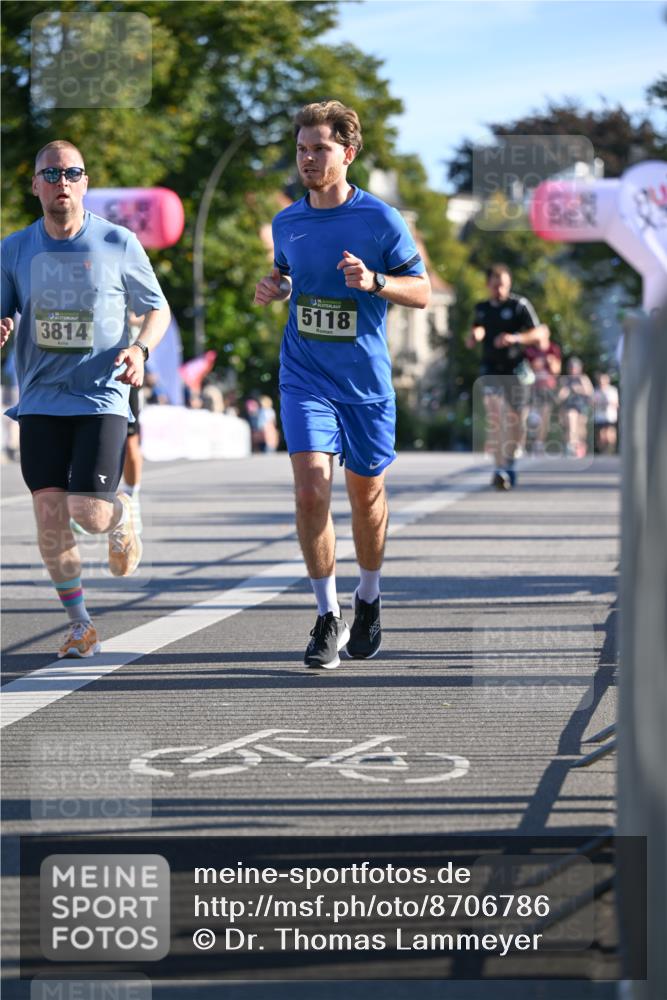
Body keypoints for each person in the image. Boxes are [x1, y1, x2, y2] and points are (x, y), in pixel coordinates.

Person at [254, 100, 430, 669]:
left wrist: (377, 281)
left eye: (320, 149)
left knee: (368, 498)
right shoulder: (288, 221)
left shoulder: (381, 220)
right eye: (302, 149)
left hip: (366, 383)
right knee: (310, 488)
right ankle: (327, 616)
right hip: (305, 375)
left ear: (347, 153)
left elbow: (422, 290)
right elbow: (288, 277)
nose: (308, 158)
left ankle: (369, 598)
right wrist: (275, 288)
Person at [0, 140, 170, 658]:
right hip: (40, 398)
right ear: (36, 185)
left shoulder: (117, 242)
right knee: (50, 516)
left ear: (85, 183)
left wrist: (140, 349)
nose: (62, 182)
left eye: (72, 173)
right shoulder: (13, 249)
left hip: (101, 395)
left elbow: (156, 309)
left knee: (88, 513)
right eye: (51, 174)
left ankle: (122, 514)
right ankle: (81, 624)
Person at [466, 263, 547, 489]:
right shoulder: (482, 307)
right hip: (490, 368)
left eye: (502, 286)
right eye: (495, 286)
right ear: (488, 285)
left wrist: (515, 339)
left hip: (515, 370)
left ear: (509, 284)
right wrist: (475, 335)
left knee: (515, 422)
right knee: (495, 416)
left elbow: (540, 333)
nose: (499, 290)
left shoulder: (519, 305)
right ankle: (500, 470)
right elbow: (476, 331)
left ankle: (509, 464)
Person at [557, 356, 594, 457]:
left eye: (575, 368)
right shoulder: (565, 379)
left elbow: (590, 393)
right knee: (571, 423)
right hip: (569, 407)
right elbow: (559, 397)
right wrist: (566, 391)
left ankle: (578, 446)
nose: (573, 370)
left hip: (582, 407)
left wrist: (579, 389)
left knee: (581, 430)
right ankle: (571, 446)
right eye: (571, 368)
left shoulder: (583, 378)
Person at [592, 372, 619, 454]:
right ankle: (603, 452)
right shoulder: (596, 391)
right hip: (600, 417)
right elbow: (592, 403)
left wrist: (609, 402)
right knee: (601, 435)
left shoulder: (612, 390)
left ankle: (611, 451)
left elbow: (616, 404)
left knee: (610, 434)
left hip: (610, 416)